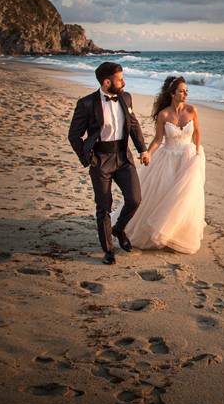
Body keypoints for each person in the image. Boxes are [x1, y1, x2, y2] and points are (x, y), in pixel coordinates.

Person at [68, 62, 150, 265]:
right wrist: (87, 159)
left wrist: (142, 149)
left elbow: (133, 125)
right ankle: (108, 249)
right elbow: (73, 135)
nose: (124, 82)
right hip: (101, 160)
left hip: (123, 157)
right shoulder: (86, 103)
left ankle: (119, 229)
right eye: (120, 79)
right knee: (104, 206)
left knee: (135, 199)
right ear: (107, 82)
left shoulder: (126, 97)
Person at [121, 76, 206, 254]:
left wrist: (198, 152)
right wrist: (148, 153)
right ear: (172, 93)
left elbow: (197, 133)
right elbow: (158, 140)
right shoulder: (164, 114)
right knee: (165, 194)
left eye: (186, 91)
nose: (185, 94)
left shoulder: (192, 110)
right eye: (181, 91)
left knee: (184, 198)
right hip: (167, 158)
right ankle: (161, 234)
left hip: (188, 158)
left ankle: (177, 234)